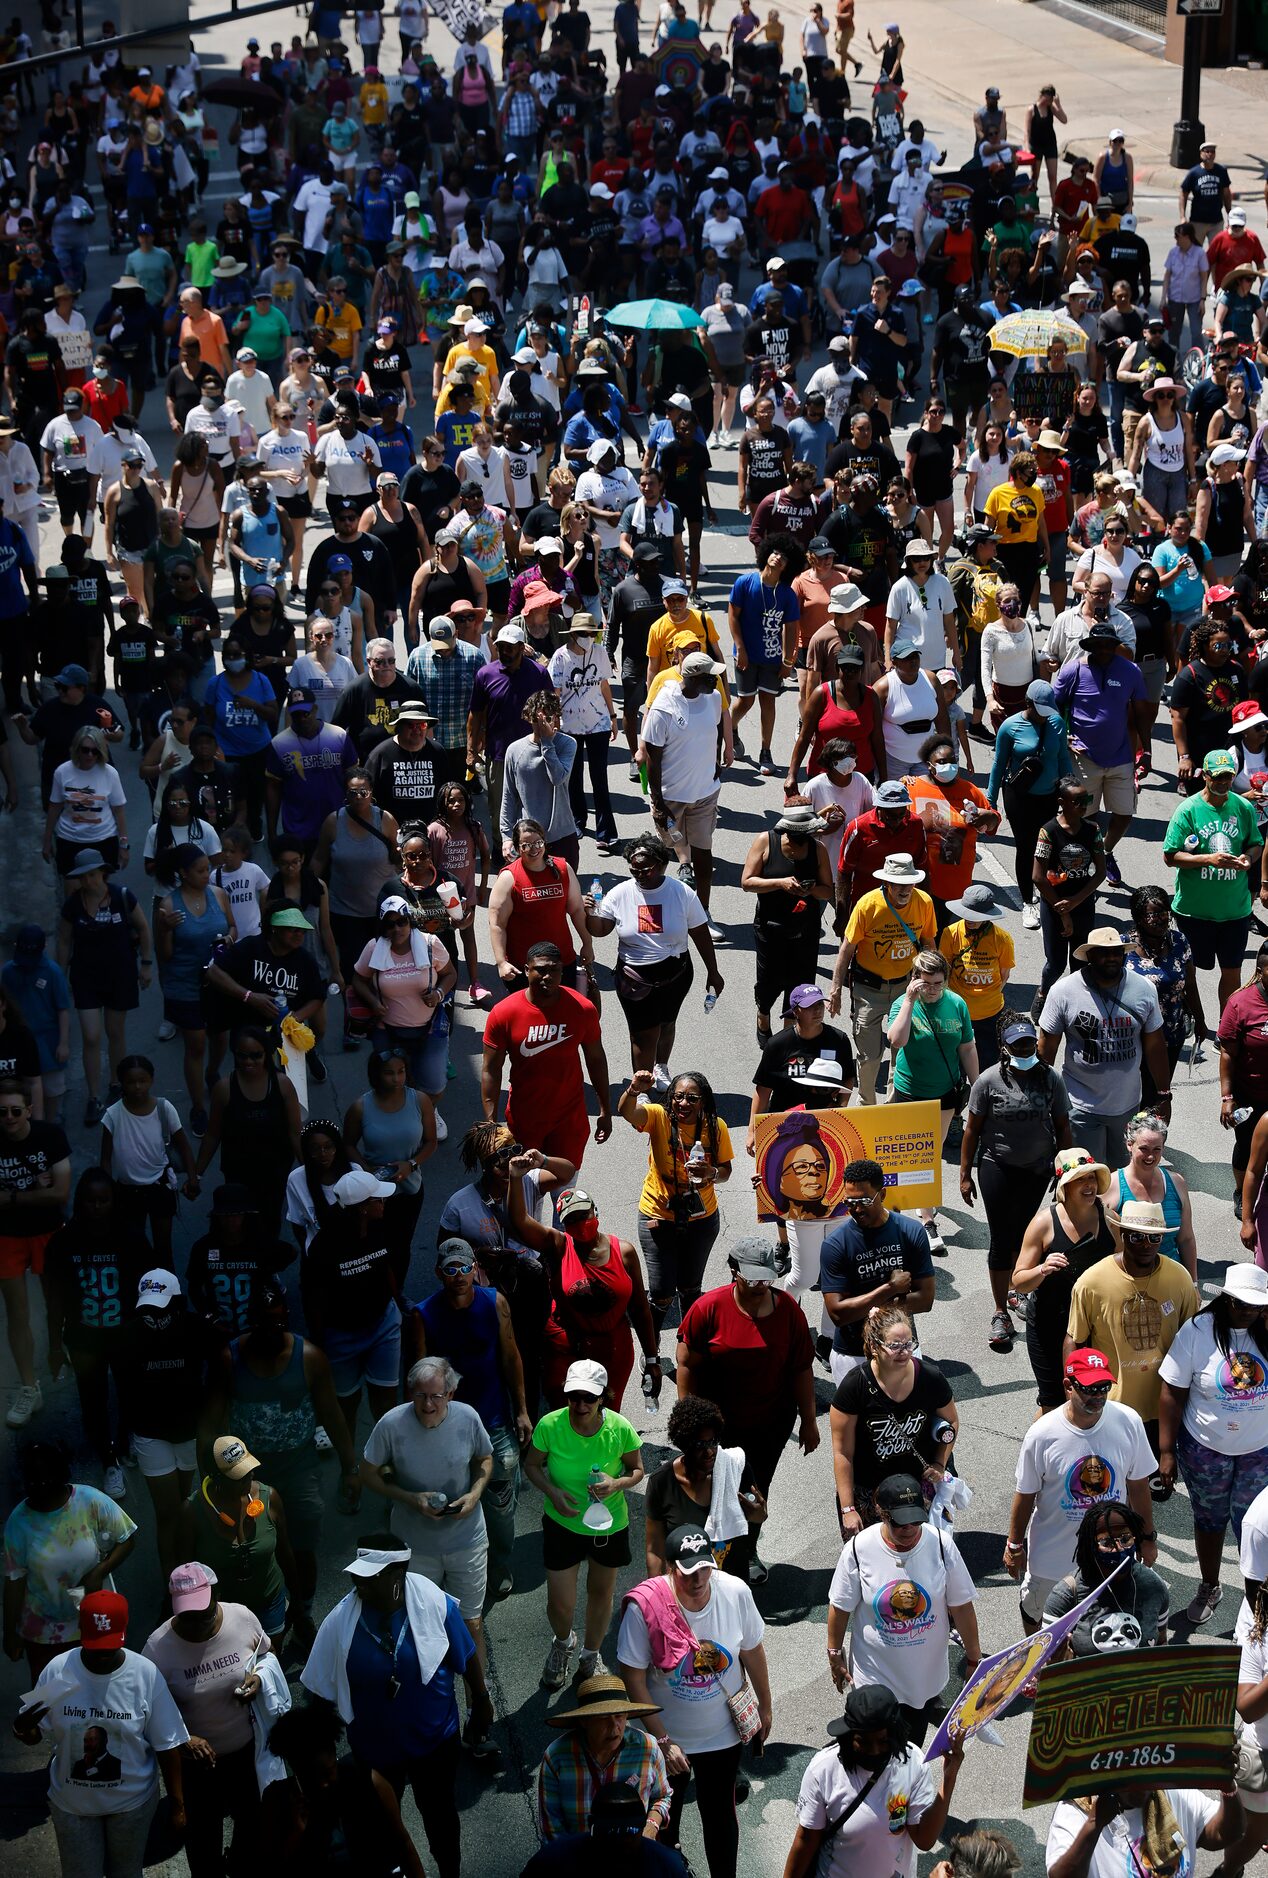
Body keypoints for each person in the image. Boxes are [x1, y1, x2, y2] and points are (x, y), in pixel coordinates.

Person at [299, 1536, 493, 1878]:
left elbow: (465, 1656)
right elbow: (319, 1693)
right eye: (357, 1575)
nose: (358, 1583)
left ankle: (450, 1871)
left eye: (369, 1577)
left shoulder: (436, 1604)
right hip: (374, 1755)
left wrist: (481, 1701)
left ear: (397, 1575)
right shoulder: (339, 1623)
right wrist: (322, 1752)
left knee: (441, 1820)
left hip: (435, 1742)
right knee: (382, 1830)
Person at [617, 1523, 770, 1878]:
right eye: (688, 1572)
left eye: (704, 1568)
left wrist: (766, 1704)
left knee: (720, 1815)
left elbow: (752, 1650)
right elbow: (633, 1679)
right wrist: (663, 1741)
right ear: (671, 1568)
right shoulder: (647, 1607)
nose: (699, 1579)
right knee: (664, 1821)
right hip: (667, 1740)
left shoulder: (735, 1592)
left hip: (723, 1735)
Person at [12, 1590, 188, 1878]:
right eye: (95, 1647)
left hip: (131, 1807)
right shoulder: (58, 1672)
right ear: (81, 1631)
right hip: (72, 1807)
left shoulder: (145, 1674)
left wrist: (178, 1805)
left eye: (109, 1647)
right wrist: (23, 1729)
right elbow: (33, 1733)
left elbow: (167, 1745)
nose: (103, 1656)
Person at [677, 1238, 818, 1562]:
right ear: (733, 1272)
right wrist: (688, 1422)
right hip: (717, 1426)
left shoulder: (788, 1313)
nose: (760, 1285)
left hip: (770, 1423)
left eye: (766, 1278)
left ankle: (746, 1551)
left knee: (755, 1488)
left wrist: (809, 1422)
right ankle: (709, 1553)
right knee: (714, 1490)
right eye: (752, 1278)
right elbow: (686, 1364)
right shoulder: (708, 1308)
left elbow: (801, 1370)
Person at [1005, 1346, 1157, 1638]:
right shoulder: (1042, 1434)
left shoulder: (1128, 1422)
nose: (1098, 1395)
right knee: (1037, 1612)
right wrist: (1014, 1545)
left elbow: (1138, 1486)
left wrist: (1147, 1538)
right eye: (1089, 1388)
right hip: (1052, 1557)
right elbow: (1025, 1494)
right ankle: (1039, 1668)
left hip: (1110, 1553)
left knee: (1107, 1619)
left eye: (1104, 1387)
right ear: (1068, 1386)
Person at [825, 1473, 981, 1746]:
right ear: (881, 1514)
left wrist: (973, 1660)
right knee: (873, 1754)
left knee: (908, 1753)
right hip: (874, 1677)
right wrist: (834, 1654)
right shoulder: (859, 1550)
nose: (909, 1528)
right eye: (900, 1522)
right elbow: (839, 1607)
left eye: (915, 1520)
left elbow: (963, 1607)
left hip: (923, 1679)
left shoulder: (941, 1545)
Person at [141, 1563, 270, 1878]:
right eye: (187, 1615)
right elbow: (146, 1713)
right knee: (202, 1843)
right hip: (197, 1767)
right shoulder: (157, 1649)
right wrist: (184, 1739)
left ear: (217, 1595)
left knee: (254, 1824)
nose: (197, 1623)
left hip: (247, 1753)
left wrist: (258, 1678)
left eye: (204, 1613)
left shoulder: (242, 1618)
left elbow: (266, 1655)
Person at [523, 1356, 644, 1690]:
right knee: (559, 1603)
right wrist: (552, 1492)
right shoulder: (550, 1425)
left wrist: (615, 1483)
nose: (580, 1404)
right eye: (573, 1396)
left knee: (600, 1594)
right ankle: (563, 1642)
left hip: (608, 1527)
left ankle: (591, 1654)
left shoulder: (620, 1428)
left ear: (603, 1397)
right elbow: (531, 1465)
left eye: (589, 1397)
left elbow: (637, 1471)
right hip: (562, 1524)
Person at [1157, 1263, 1268, 1627]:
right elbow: (1172, 1392)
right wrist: (1167, 1451)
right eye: (1241, 1305)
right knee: (1209, 1520)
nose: (1248, 1312)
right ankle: (1210, 1584)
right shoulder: (1198, 1331)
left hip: (1259, 1452)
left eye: (1256, 1306)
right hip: (1205, 1449)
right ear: (1225, 1299)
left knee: (1255, 1526)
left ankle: (1260, 1599)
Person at [961, 1012, 1074, 1351]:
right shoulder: (988, 1081)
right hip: (998, 1166)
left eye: (1029, 1043)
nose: (1025, 1049)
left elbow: (1064, 1127)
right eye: (1018, 1045)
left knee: (1025, 1236)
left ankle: (1017, 1290)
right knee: (1001, 1237)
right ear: (1004, 1046)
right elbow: (972, 1130)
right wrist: (965, 1173)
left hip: (1037, 1170)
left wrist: (1065, 1169)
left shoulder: (1051, 1078)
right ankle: (1000, 1311)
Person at [784, 1684, 964, 1878]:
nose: (875, 1750)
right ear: (848, 1735)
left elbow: (924, 1839)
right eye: (863, 1741)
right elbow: (806, 1840)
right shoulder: (823, 1769)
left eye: (883, 1741)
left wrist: (949, 1778)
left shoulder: (913, 1762)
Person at [1067, 1197, 1199, 1451]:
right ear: (1123, 1233)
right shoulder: (1092, 1282)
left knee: (1155, 1486)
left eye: (1154, 1238)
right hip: (1111, 1406)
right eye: (1137, 1237)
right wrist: (1074, 1390)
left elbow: (1193, 1337)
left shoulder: (1180, 1277)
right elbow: (1075, 1339)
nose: (1146, 1245)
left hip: (1165, 1403)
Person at [585, 836, 722, 1080]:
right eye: (633, 869)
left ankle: (661, 1066)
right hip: (634, 977)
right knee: (641, 1033)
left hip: (675, 974)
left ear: (662, 865)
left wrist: (713, 971)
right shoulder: (619, 894)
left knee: (667, 1023)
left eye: (646, 869)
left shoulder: (681, 892)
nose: (640, 874)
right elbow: (599, 930)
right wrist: (591, 913)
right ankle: (641, 1085)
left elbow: (700, 932)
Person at [2, 1438, 136, 1680]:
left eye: (47, 1482)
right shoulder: (18, 1522)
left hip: (94, 1623)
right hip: (43, 1631)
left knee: (98, 1690)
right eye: (35, 1483)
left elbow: (126, 1539)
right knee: (51, 1700)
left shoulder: (90, 1500)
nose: (41, 1489)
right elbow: (14, 1581)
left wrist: (100, 1571)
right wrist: (10, 1633)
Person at [1038, 926, 1170, 1170]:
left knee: (1124, 1175)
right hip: (1079, 1106)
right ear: (1089, 956)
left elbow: (1155, 1045)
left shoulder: (1144, 988)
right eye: (1103, 953)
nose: (1111, 958)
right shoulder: (1063, 992)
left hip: (1128, 1105)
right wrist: (1041, 1101)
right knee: (1088, 1176)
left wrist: (1163, 1094)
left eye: (1117, 952)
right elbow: (1046, 1049)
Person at [261, 1702, 428, 1876]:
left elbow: (403, 1844)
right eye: (310, 1777)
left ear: (335, 1755)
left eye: (328, 1772)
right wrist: (295, 1835)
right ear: (295, 1769)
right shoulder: (278, 1801)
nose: (322, 1784)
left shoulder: (368, 1783)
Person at [482, 941, 610, 1166]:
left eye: (554, 970)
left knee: (565, 1195)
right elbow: (491, 1070)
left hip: (569, 1122)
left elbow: (596, 1059)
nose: (548, 977)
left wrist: (605, 1109)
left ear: (562, 971)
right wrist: (491, 1121)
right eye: (540, 969)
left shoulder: (583, 1009)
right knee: (527, 1193)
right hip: (524, 1121)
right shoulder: (503, 1014)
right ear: (526, 970)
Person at [1012, 1147, 1117, 1411]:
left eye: (1092, 1178)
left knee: (1093, 1398)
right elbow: (1018, 1281)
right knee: (1054, 1402)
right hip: (1049, 1324)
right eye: (1081, 1179)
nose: (1089, 1184)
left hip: (1094, 1324)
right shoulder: (1043, 1224)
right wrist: (1043, 1269)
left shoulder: (1110, 1219)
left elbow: (1123, 1268)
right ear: (1065, 1186)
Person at [885, 950, 978, 1246]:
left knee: (929, 1155)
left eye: (938, 983)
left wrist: (977, 1085)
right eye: (926, 983)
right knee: (905, 1155)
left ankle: (926, 1217)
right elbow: (896, 1040)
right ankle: (900, 1210)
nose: (933, 990)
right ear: (914, 981)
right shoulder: (903, 1003)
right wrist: (911, 1001)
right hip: (909, 1092)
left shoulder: (957, 1004)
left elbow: (967, 1047)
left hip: (944, 1093)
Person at [830, 852, 937, 1104]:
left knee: (902, 1051)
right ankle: (867, 1105)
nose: (905, 889)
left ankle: (893, 1104)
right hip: (868, 991)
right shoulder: (867, 905)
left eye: (909, 882)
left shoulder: (924, 903)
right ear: (887, 883)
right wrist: (835, 989)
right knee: (870, 1056)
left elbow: (929, 943)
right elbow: (847, 948)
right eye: (899, 884)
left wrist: (935, 985)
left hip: (906, 988)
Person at [1164, 746, 1262, 1013]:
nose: (1223, 782)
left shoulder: (1243, 807)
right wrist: (1208, 860)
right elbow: (1170, 855)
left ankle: (1226, 1028)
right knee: (1187, 972)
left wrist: (1248, 859)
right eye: (1217, 776)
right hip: (1194, 912)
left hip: (1235, 911)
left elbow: (1255, 843)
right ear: (1205, 775)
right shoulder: (1188, 810)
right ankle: (1190, 1019)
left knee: (1232, 972)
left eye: (1228, 776)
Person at [0, 1077, 71, 1431]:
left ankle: (61, 1346)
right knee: (16, 1312)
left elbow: (61, 1193)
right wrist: (34, 1191)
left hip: (46, 1230)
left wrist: (11, 1197)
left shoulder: (49, 1136)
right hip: (8, 1235)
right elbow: (50, 1189)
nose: (9, 1117)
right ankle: (30, 1387)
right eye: (2, 1112)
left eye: (15, 1110)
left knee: (56, 1300)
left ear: (29, 1109)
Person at [537, 1672, 672, 1842]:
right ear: (584, 1721)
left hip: (634, 1855)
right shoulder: (557, 1757)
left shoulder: (647, 1748)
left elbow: (662, 1796)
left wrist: (651, 1825)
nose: (614, 1727)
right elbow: (552, 1827)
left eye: (619, 1717)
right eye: (603, 1718)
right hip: (579, 1858)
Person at [644, 1396, 765, 1579]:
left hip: (731, 1583)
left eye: (713, 1442)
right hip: (687, 1587)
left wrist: (758, 1512)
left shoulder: (734, 1468)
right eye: (700, 1445)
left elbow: (759, 1516)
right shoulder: (661, 1482)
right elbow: (654, 1548)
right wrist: (659, 1592)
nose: (709, 1452)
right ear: (684, 1444)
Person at [1042, 1500, 1170, 1656]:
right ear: (1091, 1546)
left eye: (1125, 1538)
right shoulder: (1066, 1595)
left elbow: (1161, 1643)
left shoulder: (1153, 1586)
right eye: (1106, 1542)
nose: (1118, 1548)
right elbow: (1043, 1662)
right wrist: (1057, 1657)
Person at [1046, 1784, 1244, 1878]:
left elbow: (1223, 1834)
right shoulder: (1077, 1812)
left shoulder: (1169, 1789)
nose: (1141, 1783)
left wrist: (1227, 1786)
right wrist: (1094, 1824)